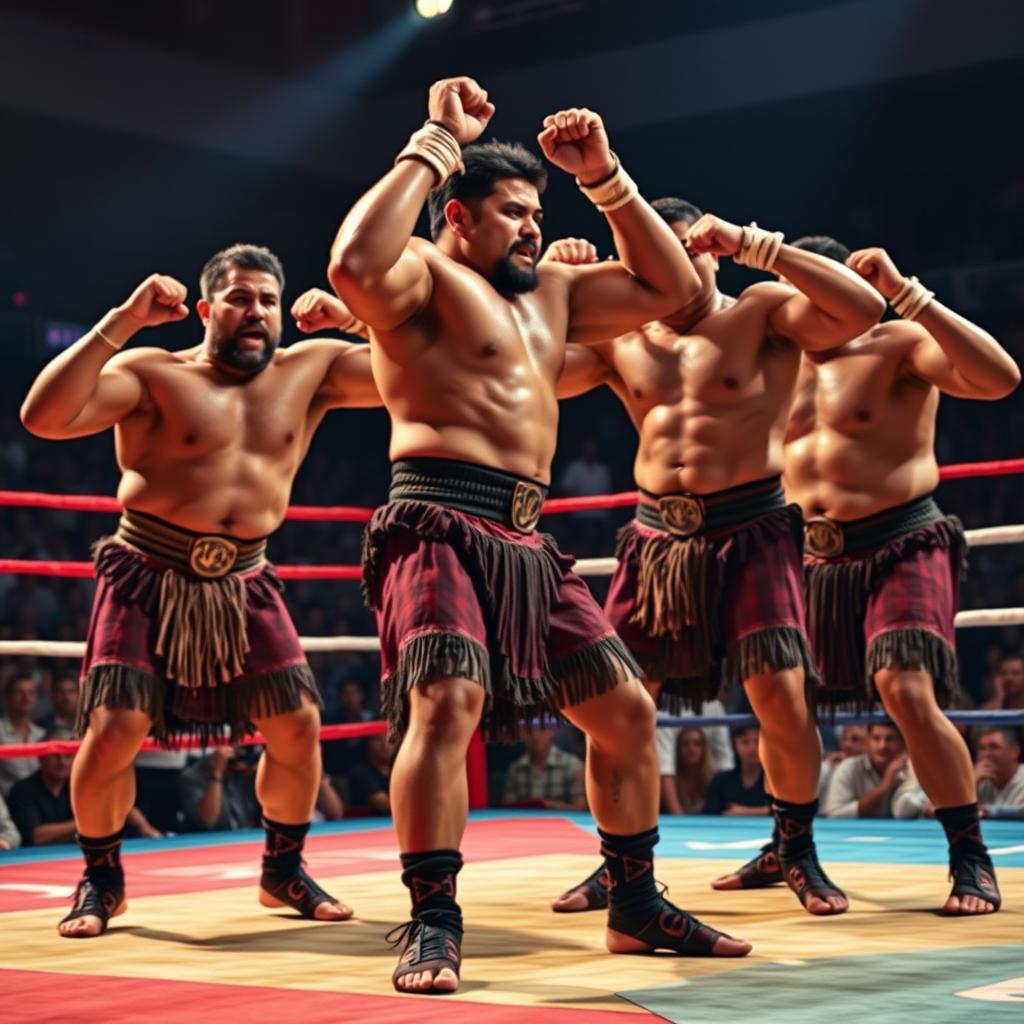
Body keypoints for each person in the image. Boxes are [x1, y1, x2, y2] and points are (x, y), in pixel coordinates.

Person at [330, 76, 751, 993]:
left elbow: (676, 292)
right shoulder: (422, 279)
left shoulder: (556, 292)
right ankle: (434, 919)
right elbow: (353, 266)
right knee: (445, 706)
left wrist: (604, 177)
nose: (530, 227)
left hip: (528, 537)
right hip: (437, 516)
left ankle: (635, 906)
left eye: (535, 212)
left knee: (626, 711)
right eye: (513, 211)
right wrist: (435, 138)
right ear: (457, 216)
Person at [20, 250, 380, 936]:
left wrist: (359, 321)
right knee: (113, 731)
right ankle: (101, 880)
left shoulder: (312, 370)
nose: (257, 313)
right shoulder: (154, 372)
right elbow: (45, 417)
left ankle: (283, 870)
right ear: (209, 309)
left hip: (246, 575)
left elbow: (425, 376)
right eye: (240, 299)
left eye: (268, 301)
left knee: (299, 725)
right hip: (148, 568)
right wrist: (124, 320)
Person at [545, 198, 885, 916]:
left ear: (707, 251)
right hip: (656, 538)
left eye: (681, 251)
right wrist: (550, 283)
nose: (667, 269)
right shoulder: (622, 338)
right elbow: (525, 372)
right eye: (648, 257)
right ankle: (621, 861)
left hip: (752, 523)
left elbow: (863, 309)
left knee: (779, 695)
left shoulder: (759, 312)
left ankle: (794, 849)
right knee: (617, 704)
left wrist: (762, 246)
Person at [782, 237, 1019, 913]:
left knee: (905, 688)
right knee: (782, 699)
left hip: (901, 536)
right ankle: (789, 844)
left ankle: (970, 857)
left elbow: (999, 377)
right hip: (809, 552)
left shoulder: (895, 344)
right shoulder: (776, 359)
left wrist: (908, 292)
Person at [820, 723, 911, 818]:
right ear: (867, 742)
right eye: (876, 738)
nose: (882, 746)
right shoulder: (848, 767)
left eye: (890, 739)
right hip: (852, 832)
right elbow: (836, 814)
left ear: (903, 743)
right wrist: (884, 786)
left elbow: (915, 811)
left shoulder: (912, 769)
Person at [179, 745, 262, 831]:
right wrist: (216, 774)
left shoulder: (254, 772)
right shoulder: (192, 776)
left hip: (251, 837)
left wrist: (260, 770)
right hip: (210, 840)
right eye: (237, 748)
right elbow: (207, 822)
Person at [502, 726, 586, 810]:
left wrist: (552, 806)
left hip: (560, 821)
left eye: (541, 730)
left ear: (552, 731)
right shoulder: (515, 769)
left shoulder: (573, 765)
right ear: (521, 734)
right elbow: (508, 808)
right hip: (524, 821)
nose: (535, 736)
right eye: (529, 731)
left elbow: (580, 808)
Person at [703, 727, 769, 816]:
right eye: (745, 742)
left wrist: (745, 811)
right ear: (735, 745)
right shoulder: (720, 780)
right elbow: (709, 814)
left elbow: (785, 811)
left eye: (757, 742)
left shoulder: (774, 781)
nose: (752, 748)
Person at [0, 674, 45, 797]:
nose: (26, 698)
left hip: (37, 802)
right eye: (19, 692)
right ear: (8, 698)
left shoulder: (42, 734)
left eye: (31, 693)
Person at [974, 728, 1024, 820]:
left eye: (994, 747)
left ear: (1015, 751)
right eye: (982, 748)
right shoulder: (978, 779)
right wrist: (970, 784)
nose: (986, 754)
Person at [666, 727, 716, 814]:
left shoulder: (714, 779)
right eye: (685, 744)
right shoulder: (669, 781)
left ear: (704, 749)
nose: (691, 749)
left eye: (697, 744)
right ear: (678, 748)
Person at [349, 733, 395, 816]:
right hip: (366, 825)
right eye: (378, 740)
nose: (385, 744)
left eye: (389, 738)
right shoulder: (360, 771)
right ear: (367, 744)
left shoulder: (398, 766)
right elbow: (383, 804)